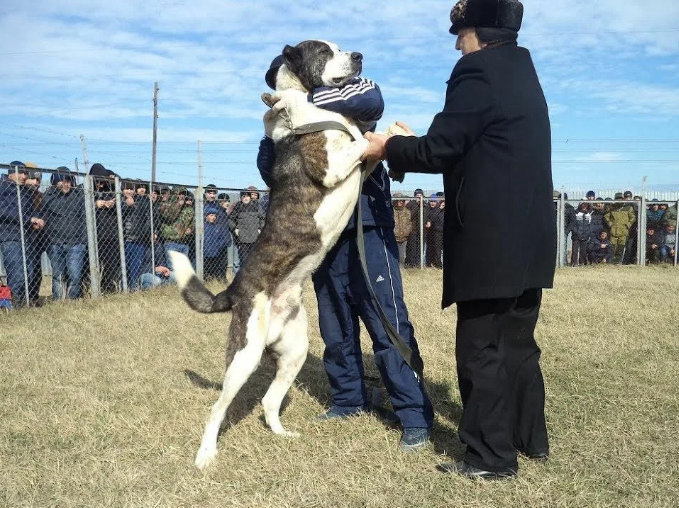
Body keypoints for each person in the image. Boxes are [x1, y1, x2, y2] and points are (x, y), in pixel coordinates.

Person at [363, 0, 556, 479]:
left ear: (481, 31)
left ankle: (490, 459)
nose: (456, 42)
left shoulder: (477, 70)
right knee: (517, 345)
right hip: (529, 239)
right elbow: (474, 144)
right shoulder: (521, 69)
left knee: (481, 350)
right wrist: (411, 145)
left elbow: (442, 148)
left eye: (462, 31)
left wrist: (388, 146)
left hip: (491, 243)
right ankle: (528, 439)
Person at [257, 52, 434, 451]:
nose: (282, 88)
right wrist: (278, 130)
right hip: (322, 233)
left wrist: (305, 104)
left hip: (367, 224)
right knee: (334, 322)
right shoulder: (285, 118)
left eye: (285, 80)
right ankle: (348, 399)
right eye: (277, 84)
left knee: (386, 321)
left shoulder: (345, 88)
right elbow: (268, 167)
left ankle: (414, 414)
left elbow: (372, 100)